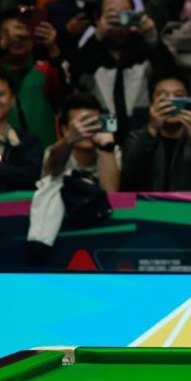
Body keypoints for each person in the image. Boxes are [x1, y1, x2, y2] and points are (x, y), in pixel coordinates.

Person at [70, 0, 174, 143]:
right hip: (103, 134)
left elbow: (170, 76)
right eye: (112, 15)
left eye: (125, 15)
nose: (119, 22)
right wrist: (98, 35)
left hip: (142, 133)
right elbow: (74, 75)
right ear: (98, 18)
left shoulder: (145, 48)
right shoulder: (91, 51)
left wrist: (153, 39)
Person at [26, 93, 120, 260]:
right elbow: (52, 171)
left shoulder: (112, 150)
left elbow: (110, 191)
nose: (86, 130)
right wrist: (69, 139)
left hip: (103, 234)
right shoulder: (55, 151)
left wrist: (106, 146)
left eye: (92, 123)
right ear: (65, 129)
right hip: (59, 239)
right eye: (81, 124)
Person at [0, 9, 70, 149]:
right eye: (7, 33)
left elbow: (66, 90)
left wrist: (53, 48)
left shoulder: (46, 69)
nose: (17, 39)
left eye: (24, 33)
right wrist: (0, 47)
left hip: (43, 151)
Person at [120, 73, 191, 191]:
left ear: (189, 102)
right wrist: (152, 130)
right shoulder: (135, 138)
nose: (171, 103)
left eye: (178, 96)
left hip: (189, 202)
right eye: (163, 97)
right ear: (152, 105)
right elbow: (129, 176)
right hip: (148, 202)